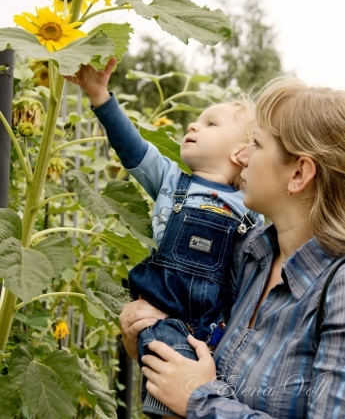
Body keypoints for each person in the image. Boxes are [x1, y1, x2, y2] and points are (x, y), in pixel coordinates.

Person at [120, 75, 345, 418]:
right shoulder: (250, 253)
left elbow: (197, 391)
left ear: (298, 175)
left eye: (256, 143)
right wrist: (149, 339)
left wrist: (200, 399)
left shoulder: (337, 291)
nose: (242, 156)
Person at [66, 58, 263, 417]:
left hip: (212, 328)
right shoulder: (171, 183)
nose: (193, 123)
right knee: (164, 373)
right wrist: (99, 95)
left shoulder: (252, 206)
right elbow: (133, 148)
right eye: (198, 120)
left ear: (243, 153)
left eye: (210, 123)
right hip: (159, 315)